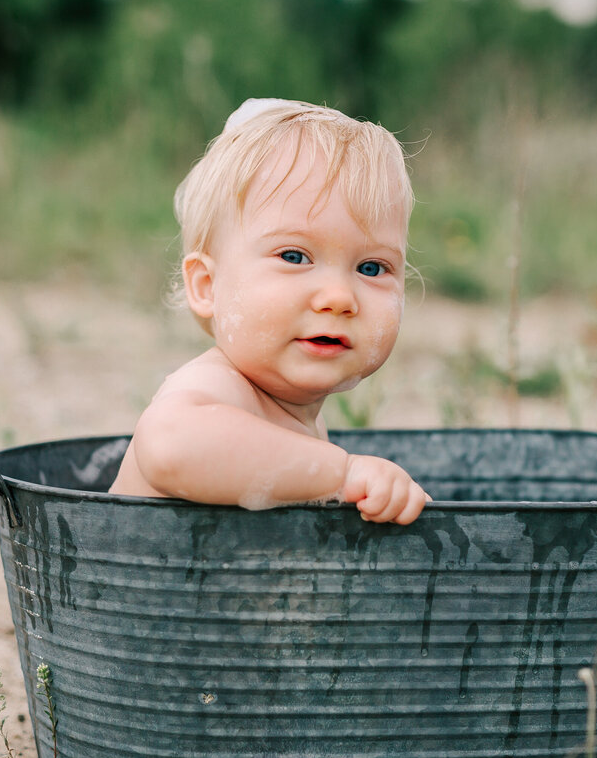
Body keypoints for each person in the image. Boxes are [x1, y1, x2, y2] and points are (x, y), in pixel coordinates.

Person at [109, 99, 428, 525]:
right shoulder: (218, 387)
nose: (339, 297)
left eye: (371, 268)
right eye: (295, 256)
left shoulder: (304, 423)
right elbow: (168, 444)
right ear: (208, 286)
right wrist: (342, 473)